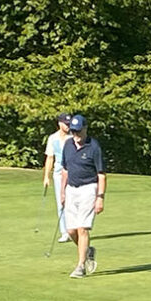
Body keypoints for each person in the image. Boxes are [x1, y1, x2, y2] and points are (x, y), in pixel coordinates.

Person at [61, 114, 106, 278]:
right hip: (71, 189)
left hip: (89, 188)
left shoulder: (94, 147)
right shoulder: (68, 145)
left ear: (85, 129)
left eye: (79, 132)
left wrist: (100, 197)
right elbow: (65, 170)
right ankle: (87, 251)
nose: (76, 135)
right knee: (71, 231)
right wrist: (62, 192)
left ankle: (80, 266)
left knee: (82, 228)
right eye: (73, 132)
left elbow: (101, 174)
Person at [43, 113, 72, 243]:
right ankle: (64, 232)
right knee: (61, 203)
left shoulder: (73, 137)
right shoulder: (52, 138)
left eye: (69, 123)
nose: (68, 126)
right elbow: (50, 158)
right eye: (66, 124)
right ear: (59, 124)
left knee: (72, 202)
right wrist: (46, 177)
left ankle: (73, 229)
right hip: (58, 174)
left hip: (72, 173)